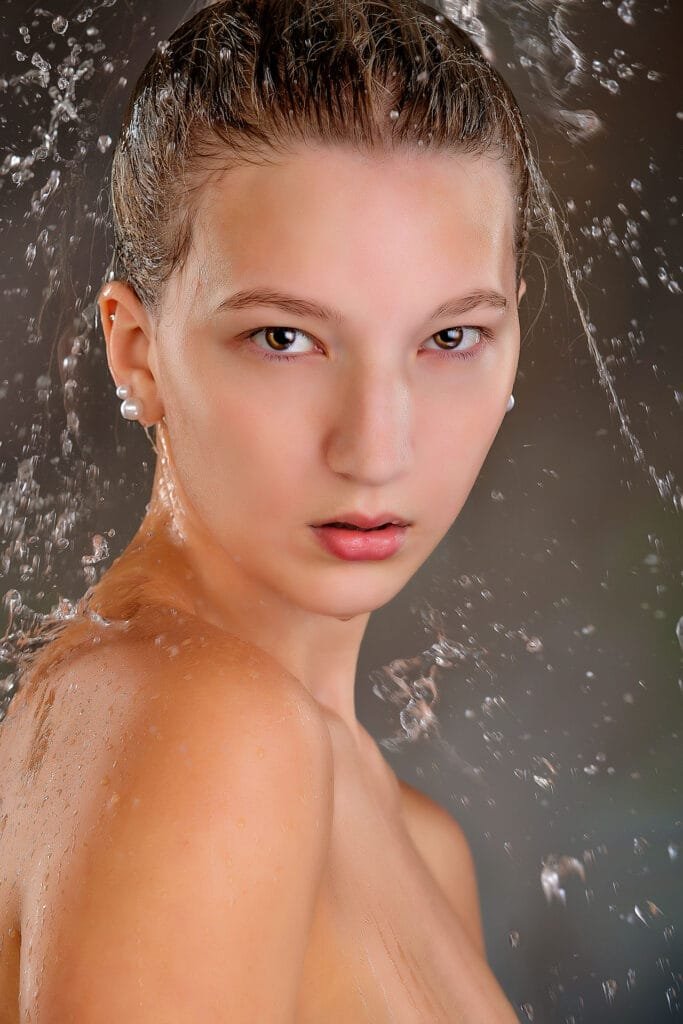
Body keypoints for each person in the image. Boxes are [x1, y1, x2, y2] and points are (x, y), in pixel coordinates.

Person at [0, 0, 539, 1018]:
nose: (377, 446)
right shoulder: (207, 729)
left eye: (450, 338)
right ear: (136, 350)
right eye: (284, 338)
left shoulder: (420, 840)